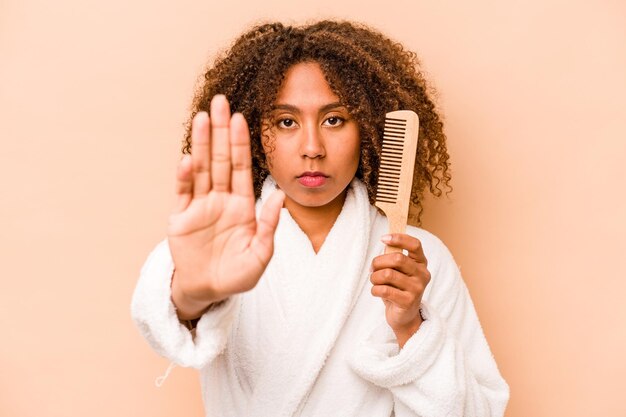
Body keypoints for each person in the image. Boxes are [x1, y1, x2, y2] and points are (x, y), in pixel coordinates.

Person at [131, 20, 510, 417]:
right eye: (286, 122)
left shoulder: (420, 261)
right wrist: (191, 294)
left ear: (367, 127)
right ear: (257, 133)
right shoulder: (218, 245)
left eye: (334, 120)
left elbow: (477, 412)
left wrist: (412, 326)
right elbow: (161, 319)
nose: (312, 148)